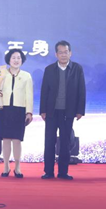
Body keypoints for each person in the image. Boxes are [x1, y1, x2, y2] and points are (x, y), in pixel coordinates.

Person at [39, 40, 86, 180]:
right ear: (56, 54)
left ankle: (63, 172)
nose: (63, 55)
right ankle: (48, 171)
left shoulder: (77, 69)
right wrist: (43, 110)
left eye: (66, 52)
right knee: (49, 141)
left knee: (65, 142)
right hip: (51, 111)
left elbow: (81, 90)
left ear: (70, 53)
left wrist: (80, 110)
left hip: (68, 111)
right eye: (60, 52)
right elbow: (44, 91)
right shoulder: (49, 69)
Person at [0, 49, 34, 178]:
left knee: (17, 140)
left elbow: (29, 95)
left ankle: (17, 167)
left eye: (19, 58)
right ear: (9, 59)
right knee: (6, 139)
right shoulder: (1, 74)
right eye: (13, 57)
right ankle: (6, 166)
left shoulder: (26, 76)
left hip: (19, 110)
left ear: (22, 60)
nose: (16, 60)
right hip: (4, 109)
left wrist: (29, 112)